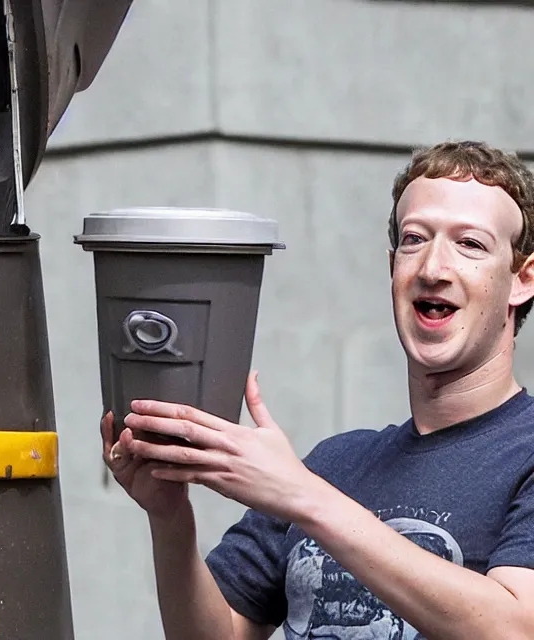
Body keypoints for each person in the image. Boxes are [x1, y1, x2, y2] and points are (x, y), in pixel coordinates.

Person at [101, 140, 534, 640]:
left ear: (522, 280)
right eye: (415, 239)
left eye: (470, 244)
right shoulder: (334, 463)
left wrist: (302, 497)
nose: (433, 268)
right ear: (392, 265)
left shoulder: (522, 453)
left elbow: (515, 628)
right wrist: (170, 515)